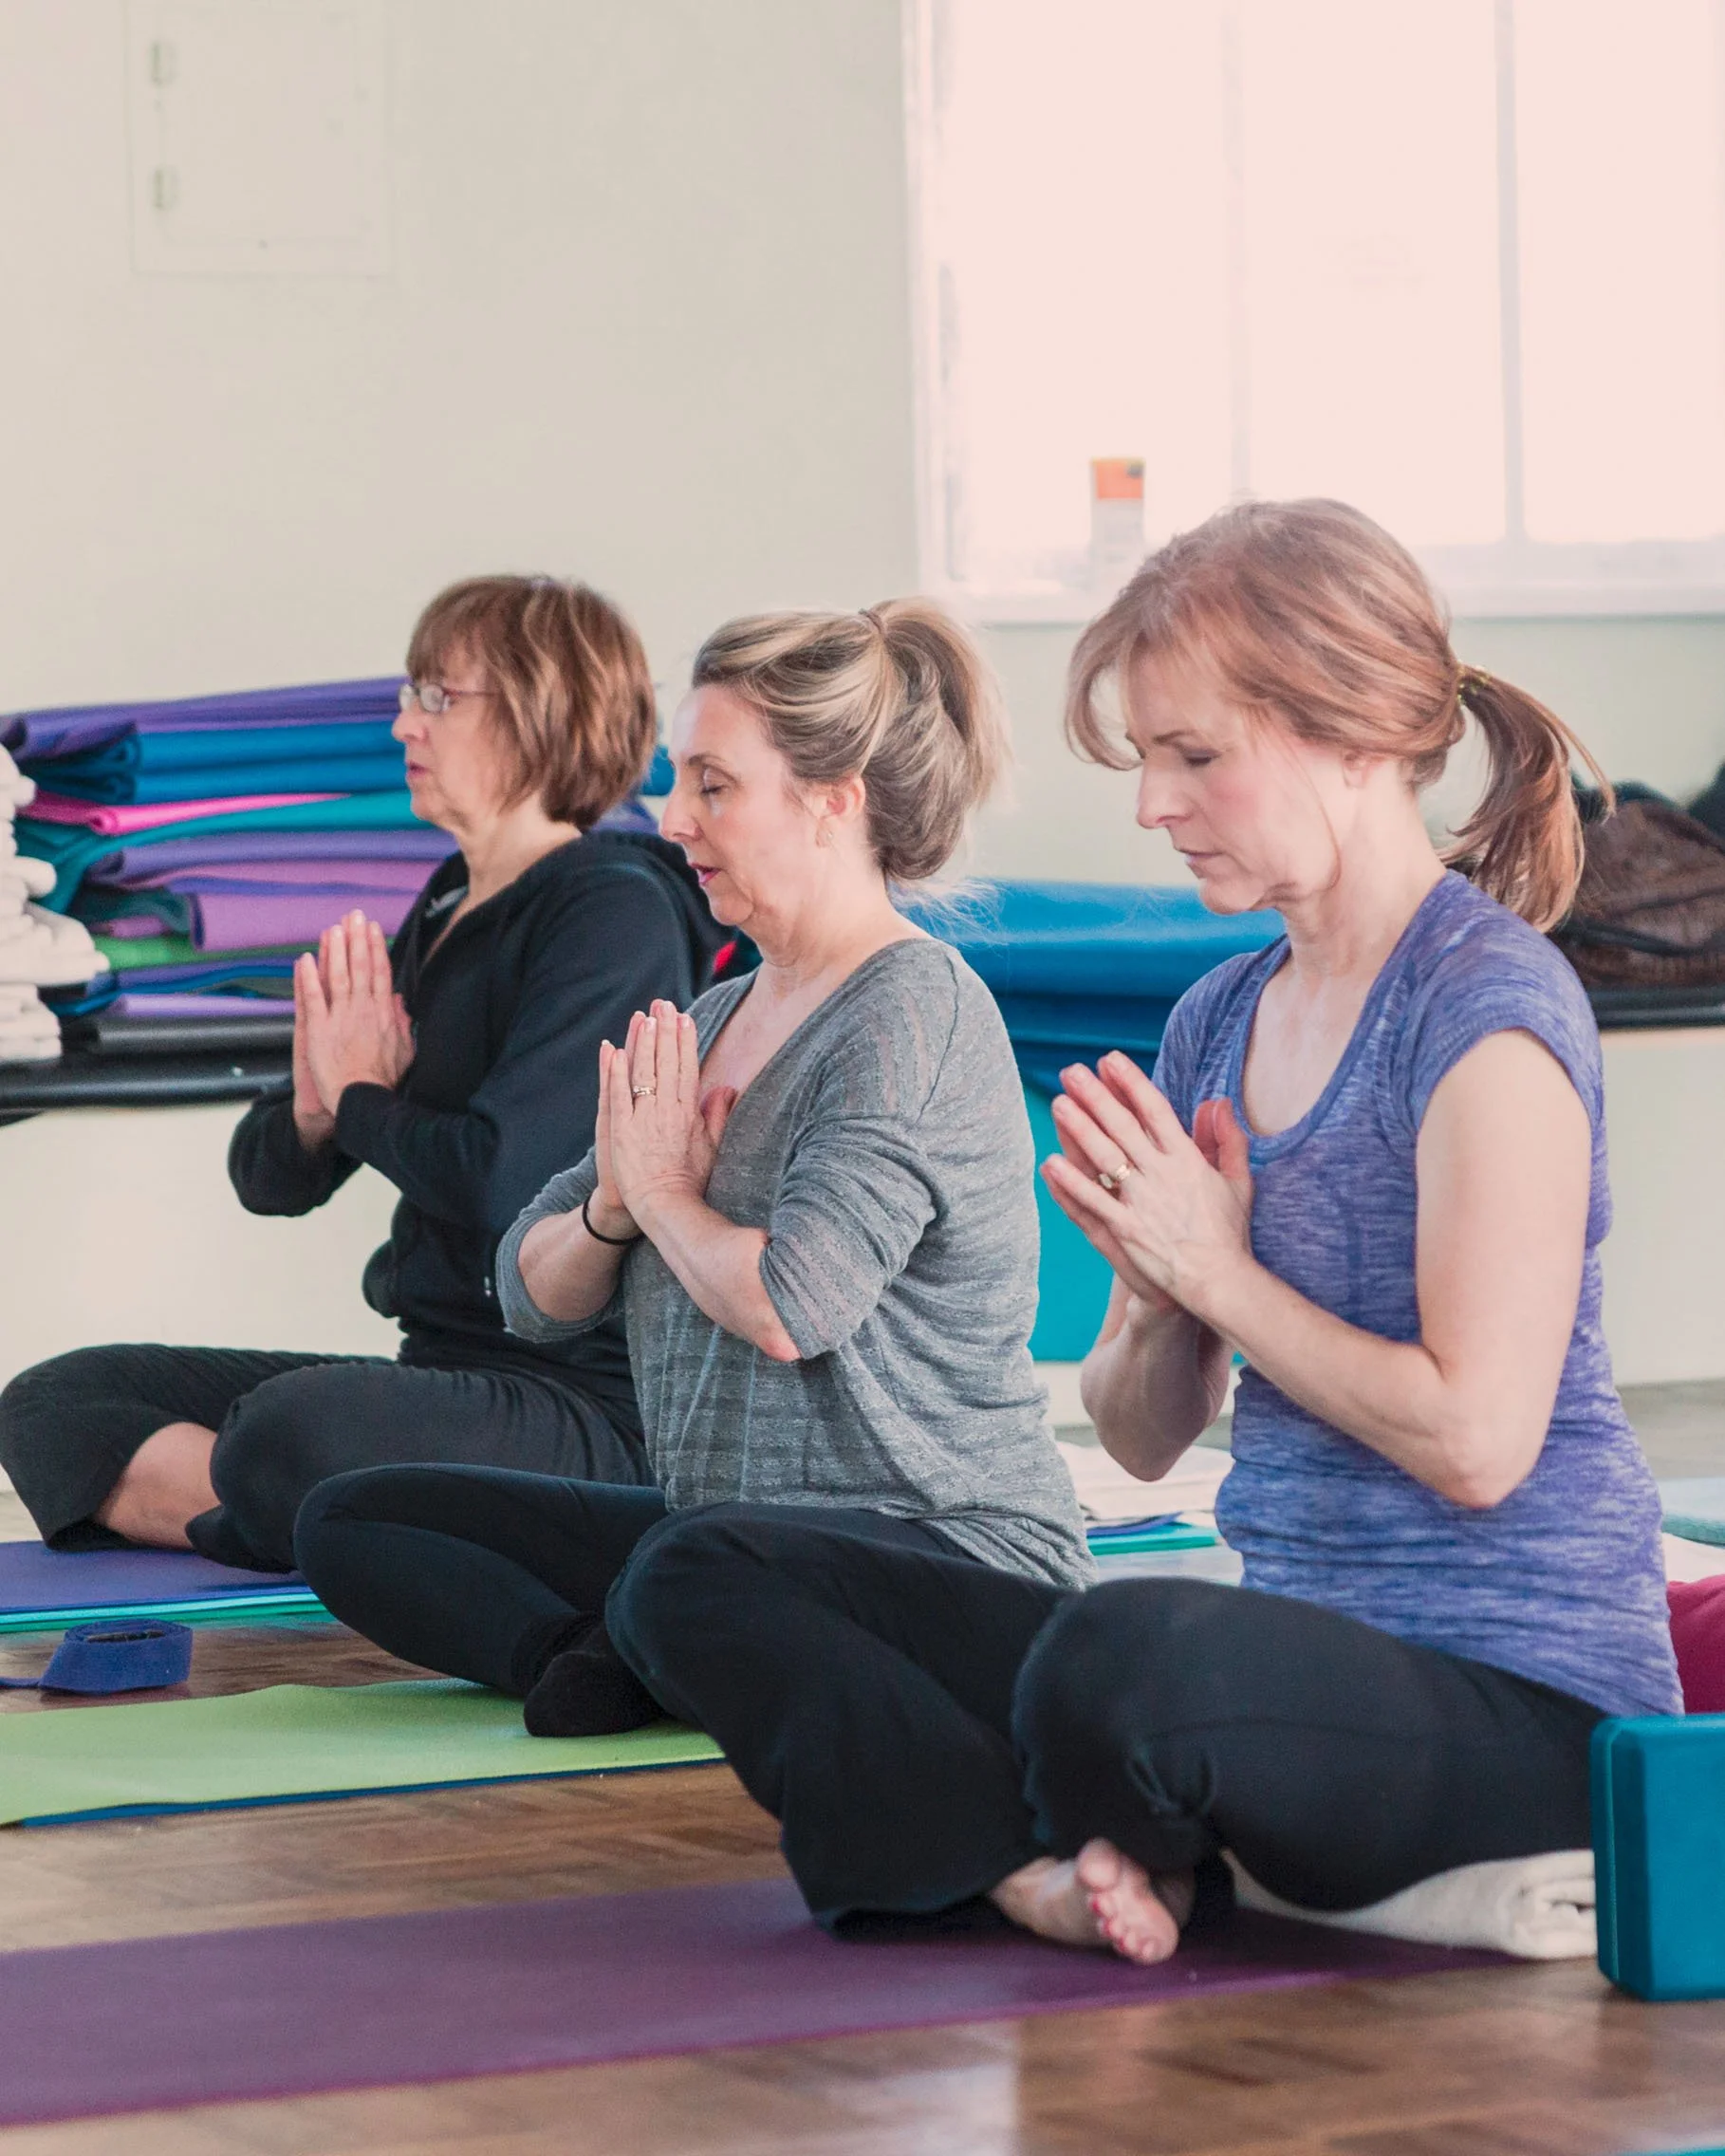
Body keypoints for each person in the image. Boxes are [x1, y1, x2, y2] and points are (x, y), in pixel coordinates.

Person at [598, 500, 1681, 1957]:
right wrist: (1164, 1304)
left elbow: (1478, 1443)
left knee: (1119, 1657)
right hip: (1288, 1661)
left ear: (1354, 742)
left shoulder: (1484, 1015)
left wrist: (1214, 1272)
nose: (1150, 807)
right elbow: (1139, 1437)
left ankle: (1082, 1825)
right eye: (1145, 762)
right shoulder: (1215, 1019)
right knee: (703, 1567)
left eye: (1192, 759)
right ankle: (1020, 1864)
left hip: (1519, 1703)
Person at [292, 600, 1092, 1738]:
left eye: (713, 785)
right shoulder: (718, 1013)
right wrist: (618, 1209)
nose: (672, 819)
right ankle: (603, 1651)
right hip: (719, 1528)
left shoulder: (916, 1012)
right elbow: (528, 1291)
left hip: (951, 1549)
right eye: (680, 783)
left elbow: (790, 1305)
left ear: (832, 801)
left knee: (687, 1559)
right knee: (357, 1519)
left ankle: (655, 1632)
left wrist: (665, 1195)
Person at [1, 575, 725, 1569]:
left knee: (294, 1432)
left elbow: (500, 1181)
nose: (401, 725)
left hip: (580, 1407)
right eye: (408, 694)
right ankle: (346, 1524)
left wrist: (359, 1100)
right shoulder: (447, 904)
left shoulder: (616, 911)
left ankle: (327, 1511)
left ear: (538, 711)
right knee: (52, 1398)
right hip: (439, 1372)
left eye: (437, 696)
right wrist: (315, 1112)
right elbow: (269, 1182)